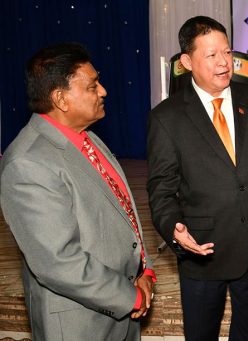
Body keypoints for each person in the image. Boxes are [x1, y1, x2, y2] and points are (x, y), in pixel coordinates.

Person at [146, 16, 248, 341]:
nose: (223, 62)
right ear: (187, 61)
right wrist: (173, 227)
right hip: (203, 250)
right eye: (211, 55)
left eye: (227, 52)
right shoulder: (167, 118)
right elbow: (161, 189)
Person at [0, 43, 155, 341]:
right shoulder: (28, 162)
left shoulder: (88, 140)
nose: (104, 91)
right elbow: (58, 262)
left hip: (122, 312)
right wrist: (130, 296)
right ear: (61, 99)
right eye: (93, 86)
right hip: (80, 324)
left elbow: (125, 213)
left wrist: (145, 270)